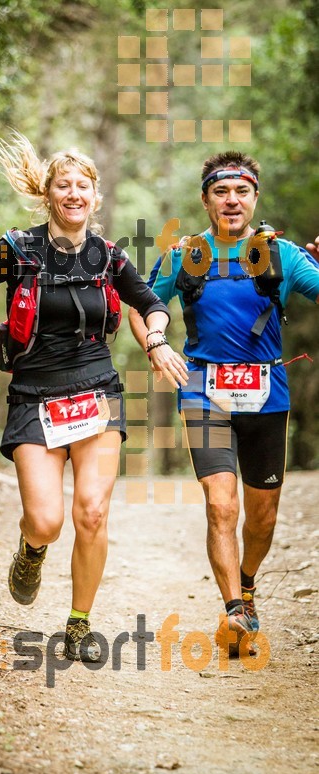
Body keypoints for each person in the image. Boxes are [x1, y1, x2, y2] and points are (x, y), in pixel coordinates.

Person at [0, 131, 188, 662]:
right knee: (47, 521)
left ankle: (78, 622)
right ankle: (31, 548)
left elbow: (149, 302)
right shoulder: (19, 249)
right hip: (34, 395)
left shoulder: (109, 256)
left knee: (91, 513)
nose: (74, 193)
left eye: (83, 186)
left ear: (94, 198)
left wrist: (159, 340)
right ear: (48, 194)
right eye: (63, 185)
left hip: (96, 392)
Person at [129, 151, 319, 656]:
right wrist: (156, 342)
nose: (231, 201)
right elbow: (143, 304)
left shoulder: (282, 255)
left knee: (263, 518)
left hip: (267, 396)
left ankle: (248, 584)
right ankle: (234, 610)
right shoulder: (185, 255)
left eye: (241, 192)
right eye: (221, 192)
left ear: (255, 197)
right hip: (204, 394)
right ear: (207, 199)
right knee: (221, 505)